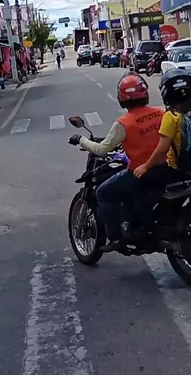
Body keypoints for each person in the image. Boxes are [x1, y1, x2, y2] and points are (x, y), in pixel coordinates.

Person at [69, 74, 163, 252]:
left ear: (122, 98)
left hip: (141, 172)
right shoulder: (161, 113)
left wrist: (81, 140)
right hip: (165, 169)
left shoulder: (123, 124)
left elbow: (101, 150)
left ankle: (116, 238)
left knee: (103, 191)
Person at [133, 69, 191, 187]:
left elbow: (162, 150)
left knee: (143, 179)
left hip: (180, 169)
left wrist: (145, 167)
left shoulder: (172, 115)